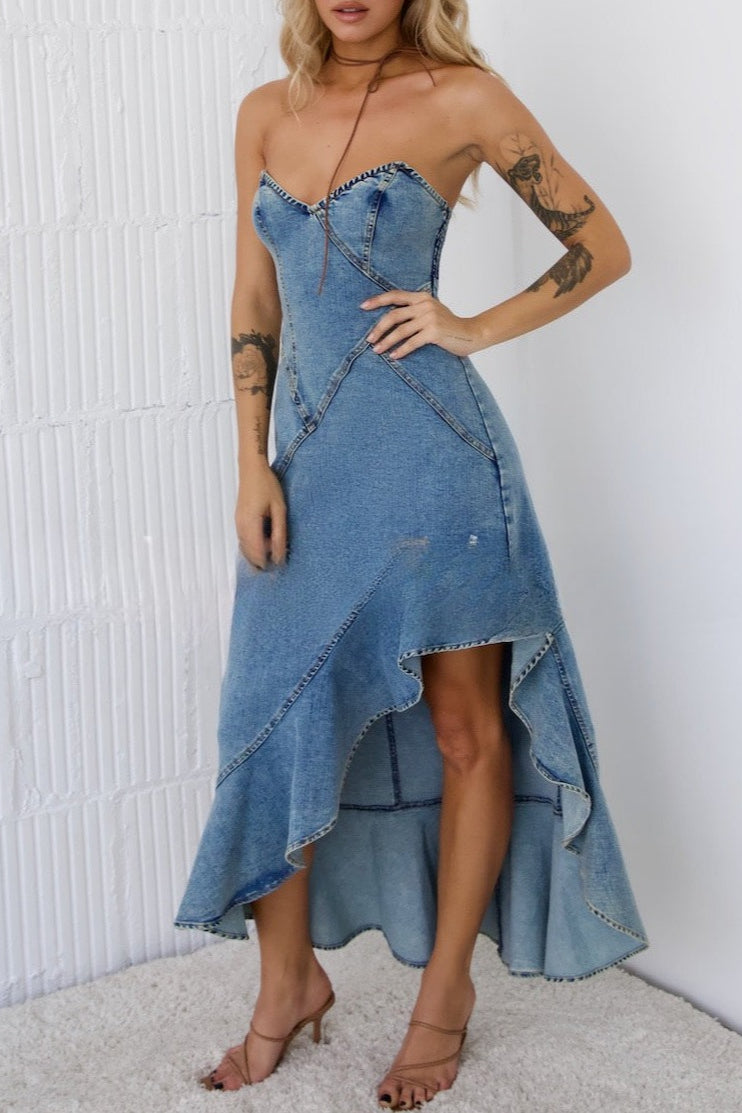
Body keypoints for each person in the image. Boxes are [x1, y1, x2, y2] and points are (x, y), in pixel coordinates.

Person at [174, 1, 649, 1108]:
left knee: (465, 730)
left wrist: (468, 326)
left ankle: (444, 998)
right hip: (309, 472)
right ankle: (287, 983)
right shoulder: (263, 112)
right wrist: (251, 464)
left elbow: (603, 245)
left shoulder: (463, 97)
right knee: (270, 716)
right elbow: (254, 295)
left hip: (440, 462)